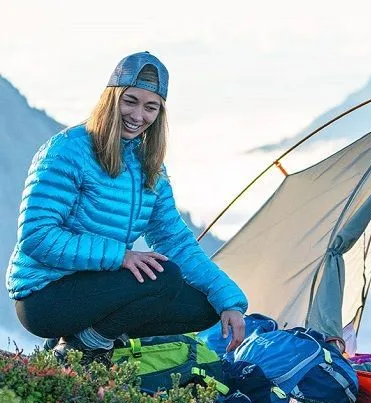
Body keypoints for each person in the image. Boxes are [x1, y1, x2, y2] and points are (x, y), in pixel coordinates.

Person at [5, 51, 247, 363]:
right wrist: (121, 256)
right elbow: (38, 237)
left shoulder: (149, 167)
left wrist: (228, 299)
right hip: (44, 296)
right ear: (111, 98)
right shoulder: (67, 150)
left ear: (160, 113)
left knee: (203, 306)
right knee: (165, 277)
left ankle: (92, 339)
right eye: (130, 101)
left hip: (98, 290)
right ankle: (87, 346)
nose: (138, 115)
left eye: (151, 107)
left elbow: (176, 241)